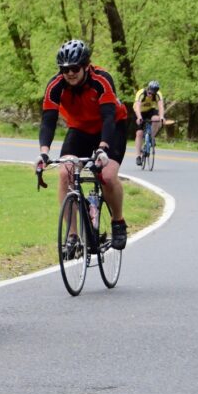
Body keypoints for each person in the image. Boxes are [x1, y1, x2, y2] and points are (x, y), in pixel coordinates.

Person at [34, 40, 128, 250]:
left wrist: (103, 149)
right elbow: (48, 120)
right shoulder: (55, 85)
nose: (70, 73)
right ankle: (73, 235)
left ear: (86, 65)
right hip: (80, 129)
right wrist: (44, 153)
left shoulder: (101, 80)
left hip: (111, 126)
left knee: (108, 175)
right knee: (65, 173)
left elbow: (108, 117)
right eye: (65, 69)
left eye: (75, 68)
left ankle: (118, 221)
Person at [134, 80, 165, 166]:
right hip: (139, 112)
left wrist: (162, 116)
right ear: (148, 89)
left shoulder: (158, 94)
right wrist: (139, 117)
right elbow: (137, 106)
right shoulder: (141, 93)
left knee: (156, 119)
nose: (150, 95)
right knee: (139, 133)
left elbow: (161, 106)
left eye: (153, 94)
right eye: (150, 92)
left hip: (150, 110)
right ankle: (138, 156)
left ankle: (152, 137)